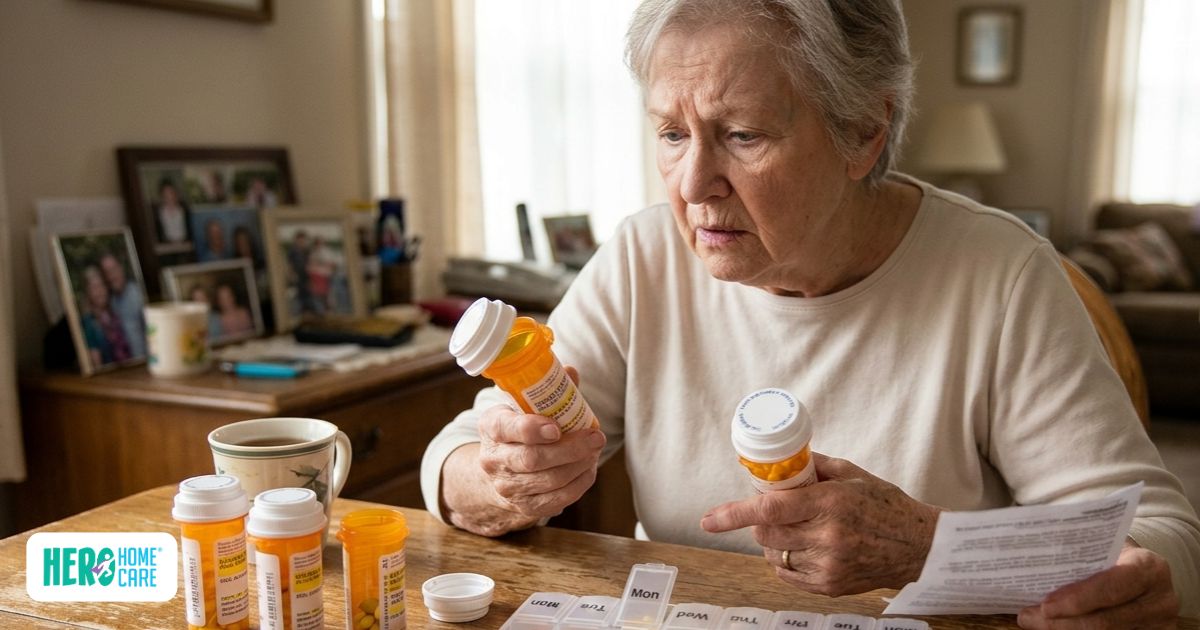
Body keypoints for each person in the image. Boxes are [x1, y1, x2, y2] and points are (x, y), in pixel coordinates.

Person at [420, 0, 1199, 624]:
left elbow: (1163, 543)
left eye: (742, 134)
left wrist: (926, 547)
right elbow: (459, 456)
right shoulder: (643, 257)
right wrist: (498, 478)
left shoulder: (999, 276)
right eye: (669, 132)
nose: (692, 184)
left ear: (864, 132)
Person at [79, 265, 131, 367]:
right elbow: (97, 365)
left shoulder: (115, 314)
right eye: (94, 288)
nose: (100, 291)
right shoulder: (89, 324)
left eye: (102, 285)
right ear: (88, 293)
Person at [98, 252, 145, 358]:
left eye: (114, 269)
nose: (112, 276)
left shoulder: (138, 294)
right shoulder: (112, 301)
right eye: (107, 273)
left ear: (121, 268)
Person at [153, 180, 190, 246]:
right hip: (167, 248)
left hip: (185, 246)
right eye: (166, 194)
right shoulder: (158, 214)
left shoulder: (184, 211)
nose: (169, 197)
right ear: (162, 196)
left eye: (171, 193)